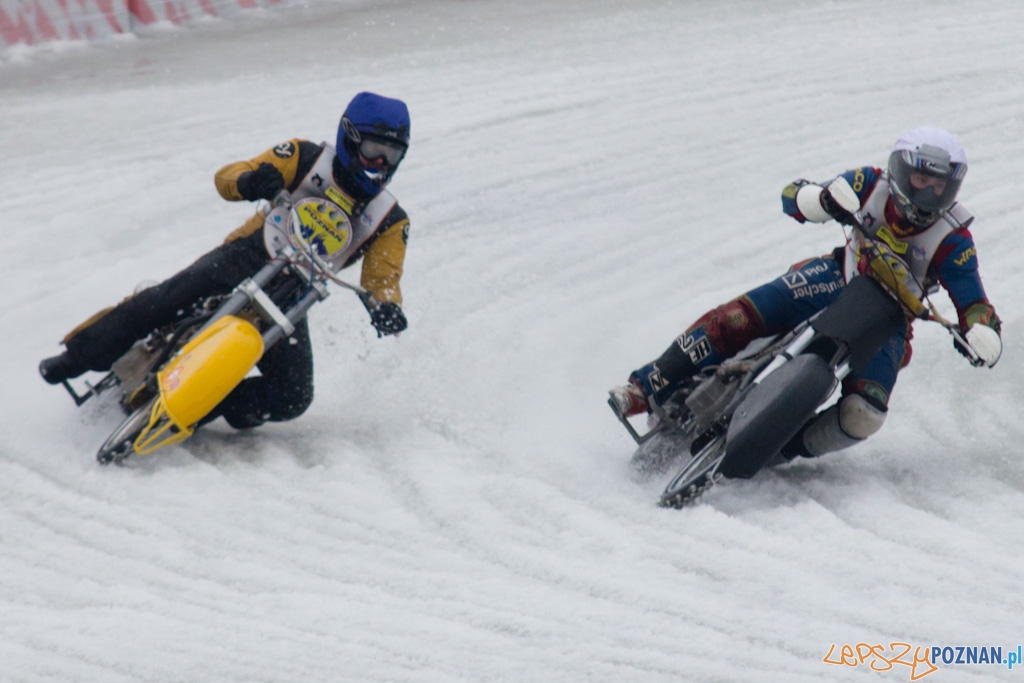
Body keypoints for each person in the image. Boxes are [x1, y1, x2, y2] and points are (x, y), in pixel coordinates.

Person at [609, 126, 1002, 461]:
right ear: (901, 171)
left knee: (864, 414)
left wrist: (983, 334)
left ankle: (782, 449)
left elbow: (975, 303)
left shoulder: (954, 238)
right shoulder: (870, 183)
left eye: (939, 186)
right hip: (835, 276)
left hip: (890, 321)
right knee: (738, 318)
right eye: (921, 180)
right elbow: (794, 195)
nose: (928, 194)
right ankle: (643, 389)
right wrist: (820, 199)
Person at [39, 91, 413, 429]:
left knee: (294, 396)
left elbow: (384, 279)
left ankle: (216, 404)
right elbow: (228, 175)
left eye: (392, 154)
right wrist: (251, 181)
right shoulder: (304, 157)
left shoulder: (390, 220)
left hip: (293, 296)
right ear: (349, 138)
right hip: (246, 254)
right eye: (374, 149)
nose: (381, 162)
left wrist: (386, 307)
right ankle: (78, 356)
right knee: (166, 298)